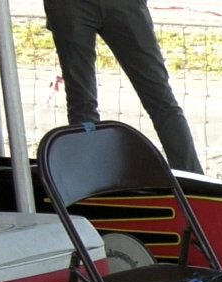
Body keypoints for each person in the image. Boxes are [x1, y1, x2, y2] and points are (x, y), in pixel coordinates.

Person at [42, 0, 202, 172]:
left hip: (115, 6)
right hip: (72, 7)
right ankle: (91, 177)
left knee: (160, 98)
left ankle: (195, 181)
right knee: (82, 102)